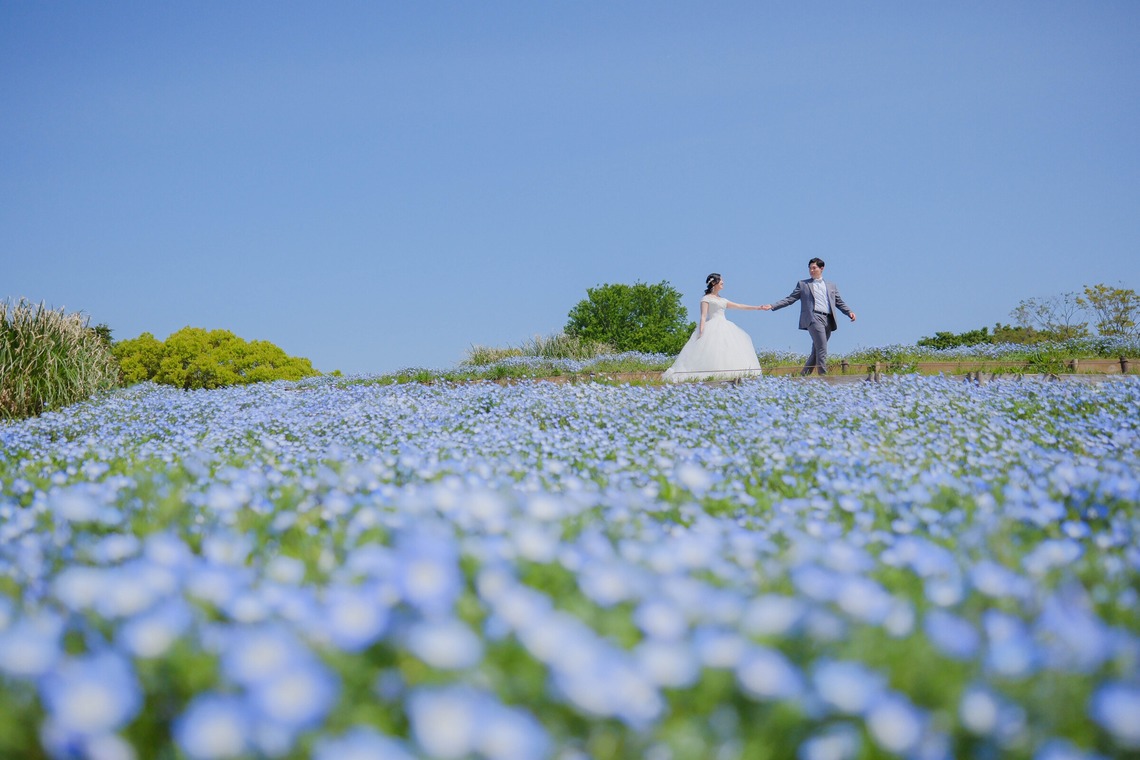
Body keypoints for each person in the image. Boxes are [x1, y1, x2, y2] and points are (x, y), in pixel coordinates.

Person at [761, 257, 855, 376]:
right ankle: (824, 378)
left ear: (822, 268)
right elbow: (790, 299)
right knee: (822, 348)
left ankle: (803, 377)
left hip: (828, 320)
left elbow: (839, 302)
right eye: (810, 268)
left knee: (816, 351)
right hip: (814, 318)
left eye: (814, 268)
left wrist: (849, 312)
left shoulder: (831, 286)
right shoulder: (803, 284)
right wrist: (772, 305)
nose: (811, 270)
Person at [663, 273, 764, 382]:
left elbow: (739, 306)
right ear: (713, 283)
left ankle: (731, 376)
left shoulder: (723, 300)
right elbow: (703, 316)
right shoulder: (706, 299)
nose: (723, 283)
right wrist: (701, 332)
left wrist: (757, 307)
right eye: (721, 281)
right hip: (712, 326)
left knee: (727, 351)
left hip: (725, 326)